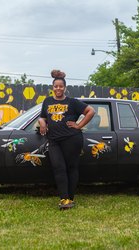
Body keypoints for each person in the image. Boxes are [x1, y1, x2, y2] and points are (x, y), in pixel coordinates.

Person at [39, 69, 95, 210]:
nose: (58, 88)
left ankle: (70, 198)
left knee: (71, 168)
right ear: (53, 88)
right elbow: (42, 116)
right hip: (54, 140)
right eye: (56, 86)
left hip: (72, 139)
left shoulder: (72, 102)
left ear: (65, 88)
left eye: (61, 86)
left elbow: (91, 111)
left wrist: (79, 125)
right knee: (59, 167)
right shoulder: (47, 101)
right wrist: (42, 123)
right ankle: (64, 199)